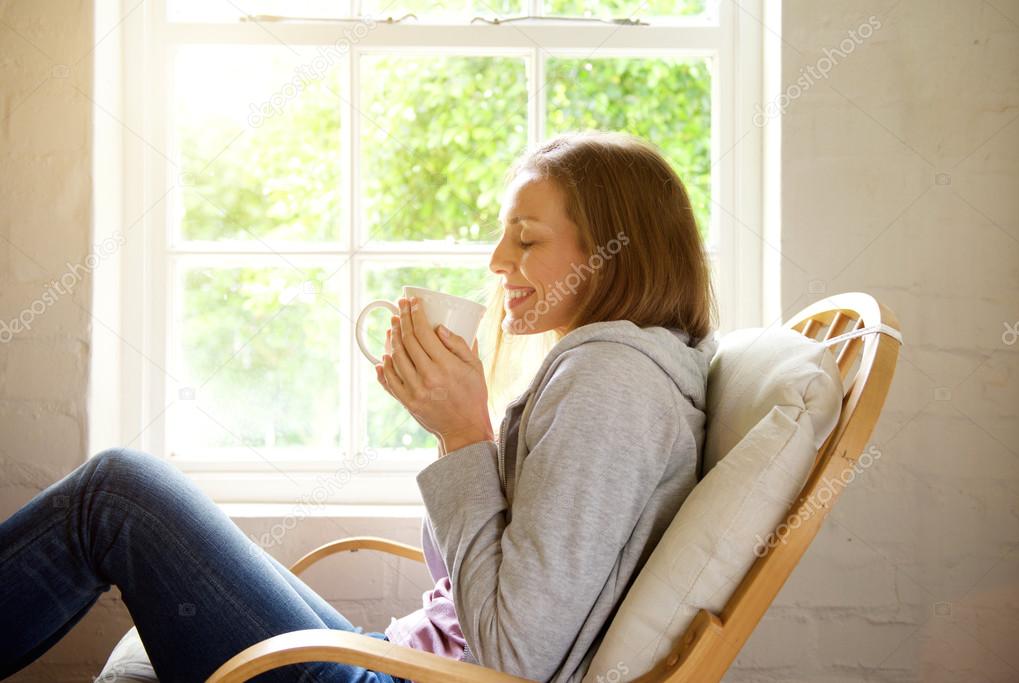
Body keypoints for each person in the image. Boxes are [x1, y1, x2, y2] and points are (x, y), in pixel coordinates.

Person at [0, 131, 718, 682]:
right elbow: (496, 586)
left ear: (614, 252)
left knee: (117, 494)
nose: (498, 261)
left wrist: (465, 434)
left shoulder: (612, 384)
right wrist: (451, 433)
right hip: (399, 659)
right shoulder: (611, 369)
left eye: (526, 238)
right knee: (139, 501)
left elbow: (514, 659)